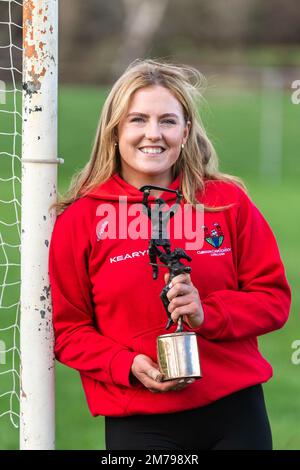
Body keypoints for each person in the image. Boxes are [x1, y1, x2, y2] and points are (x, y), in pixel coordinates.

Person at [48, 59, 291, 450]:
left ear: (186, 131)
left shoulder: (227, 203)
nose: (153, 134)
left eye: (167, 121)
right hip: (141, 421)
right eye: (138, 120)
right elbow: (68, 330)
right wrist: (124, 365)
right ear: (114, 131)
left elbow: (274, 299)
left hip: (237, 414)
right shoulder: (80, 219)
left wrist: (207, 313)